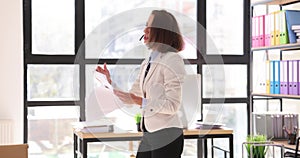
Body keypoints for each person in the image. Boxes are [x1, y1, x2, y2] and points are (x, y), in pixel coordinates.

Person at [96, 9, 186, 158]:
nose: (145, 30)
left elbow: (172, 105)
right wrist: (110, 83)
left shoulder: (172, 59)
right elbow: (132, 97)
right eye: (146, 25)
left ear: (161, 31)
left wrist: (139, 100)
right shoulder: (148, 62)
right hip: (149, 133)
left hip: (167, 135)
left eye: (149, 26)